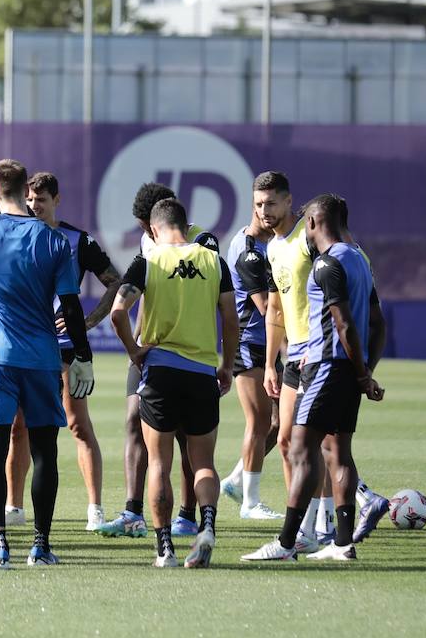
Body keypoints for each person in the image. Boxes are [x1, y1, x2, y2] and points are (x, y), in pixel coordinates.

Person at [0, 159, 94, 570]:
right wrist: (83, 357)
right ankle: (40, 545)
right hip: (41, 359)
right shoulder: (54, 241)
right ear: (27, 191)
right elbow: (71, 307)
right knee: (45, 452)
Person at [243, 194, 383, 563]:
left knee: (301, 451)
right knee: (340, 454)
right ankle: (342, 542)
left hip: (325, 365)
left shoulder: (326, 264)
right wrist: (366, 372)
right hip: (349, 369)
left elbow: (344, 323)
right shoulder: (359, 260)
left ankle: (287, 543)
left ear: (313, 223)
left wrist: (358, 371)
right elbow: (378, 323)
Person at [110, 197, 239, 568]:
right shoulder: (214, 260)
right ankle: (207, 526)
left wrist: (135, 350)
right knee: (203, 463)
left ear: (153, 229)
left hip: (161, 373)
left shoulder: (148, 260)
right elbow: (230, 320)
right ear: (186, 224)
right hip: (202, 374)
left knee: (159, 464)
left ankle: (164, 548)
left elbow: (119, 311)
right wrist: (226, 366)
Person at [96, 182, 207, 539]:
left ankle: (188, 515)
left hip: (189, 352)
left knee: (185, 437)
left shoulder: (203, 242)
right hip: (148, 350)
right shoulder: (150, 242)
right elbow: (140, 298)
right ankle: (133, 513)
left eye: (147, 223)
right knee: (133, 421)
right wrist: (137, 345)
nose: (145, 230)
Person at [17, 171, 122, 531]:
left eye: (40, 200)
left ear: (56, 200)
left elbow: (116, 282)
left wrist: (90, 321)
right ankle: (13, 509)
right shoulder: (15, 232)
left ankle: (95, 509)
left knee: (77, 424)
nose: (33, 206)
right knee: (19, 428)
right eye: (29, 200)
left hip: (63, 347)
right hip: (24, 344)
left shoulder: (77, 240)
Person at [218, 174, 284, 519]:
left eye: (270, 203)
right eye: (259, 204)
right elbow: (266, 307)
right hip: (248, 341)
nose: (263, 210)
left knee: (281, 425)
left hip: (270, 344)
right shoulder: (245, 248)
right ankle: (250, 503)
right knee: (259, 421)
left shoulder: (276, 244)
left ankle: (236, 480)